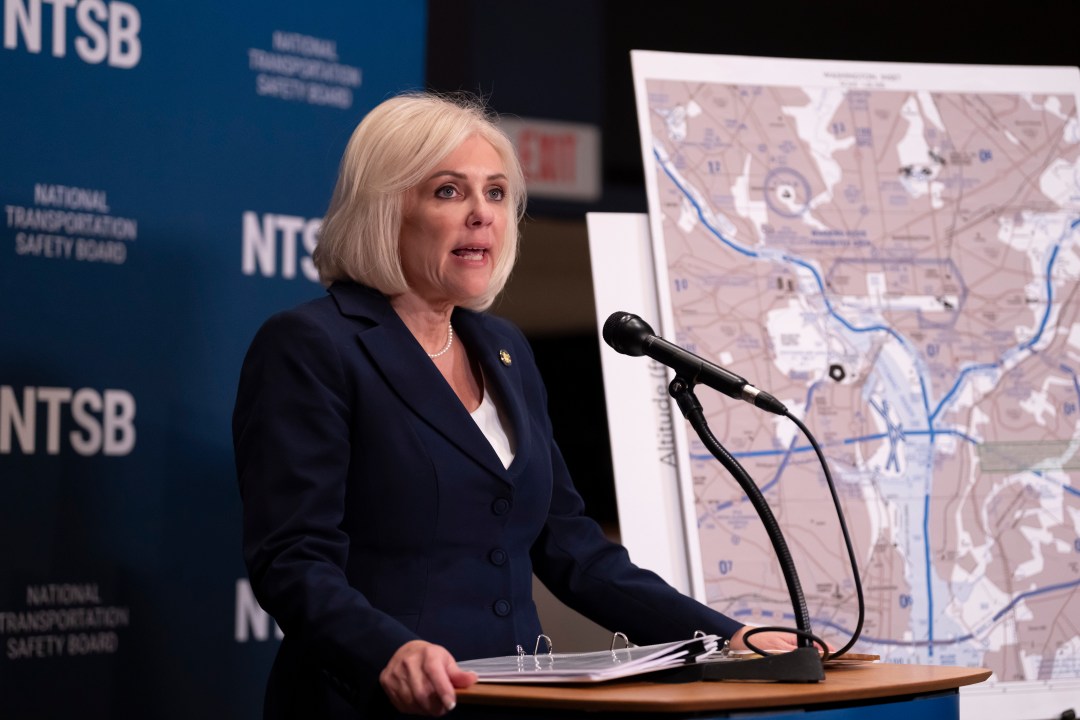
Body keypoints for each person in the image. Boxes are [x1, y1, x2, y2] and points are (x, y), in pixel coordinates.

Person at [233, 91, 799, 719]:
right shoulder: (314, 345)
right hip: (373, 701)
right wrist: (388, 651)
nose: (482, 215)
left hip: (518, 699)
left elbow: (571, 546)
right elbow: (293, 558)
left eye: (496, 193)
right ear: (385, 209)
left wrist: (723, 637)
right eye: (449, 192)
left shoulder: (502, 347)